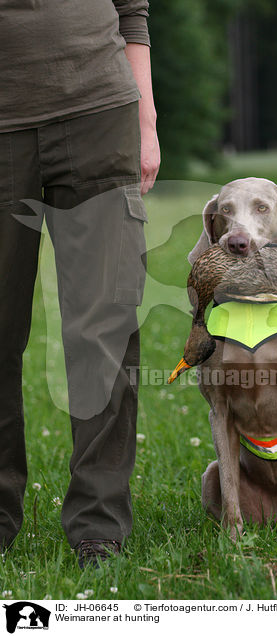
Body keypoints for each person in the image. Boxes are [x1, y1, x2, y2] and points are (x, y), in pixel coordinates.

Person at [0, 0, 160, 568]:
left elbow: (131, 10)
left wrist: (145, 119)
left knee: (105, 334)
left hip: (100, 114)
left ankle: (100, 526)